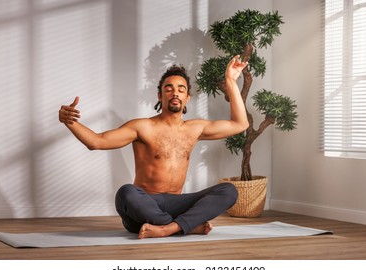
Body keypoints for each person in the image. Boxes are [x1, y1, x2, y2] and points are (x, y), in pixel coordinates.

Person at [58, 55, 248, 239]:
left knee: (229, 190)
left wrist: (230, 81)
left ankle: (168, 229)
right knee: (126, 193)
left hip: (177, 203)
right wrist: (69, 122)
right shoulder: (143, 127)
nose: (175, 93)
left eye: (181, 89)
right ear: (160, 95)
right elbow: (97, 142)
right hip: (143, 207)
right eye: (169, 88)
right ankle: (185, 226)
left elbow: (240, 124)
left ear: (188, 97)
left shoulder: (195, 129)